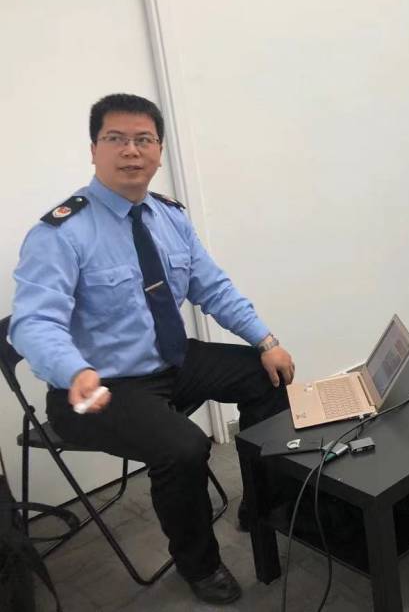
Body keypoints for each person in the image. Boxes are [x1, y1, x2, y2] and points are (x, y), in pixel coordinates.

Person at [10, 94, 294, 605]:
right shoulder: (60, 233)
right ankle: (198, 564)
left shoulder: (168, 216)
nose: (131, 151)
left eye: (144, 139)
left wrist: (265, 340)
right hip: (95, 388)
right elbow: (33, 323)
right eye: (116, 138)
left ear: (159, 151)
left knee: (265, 375)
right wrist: (73, 370)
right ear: (94, 149)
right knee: (184, 447)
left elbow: (213, 287)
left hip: (168, 363)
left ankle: (262, 503)